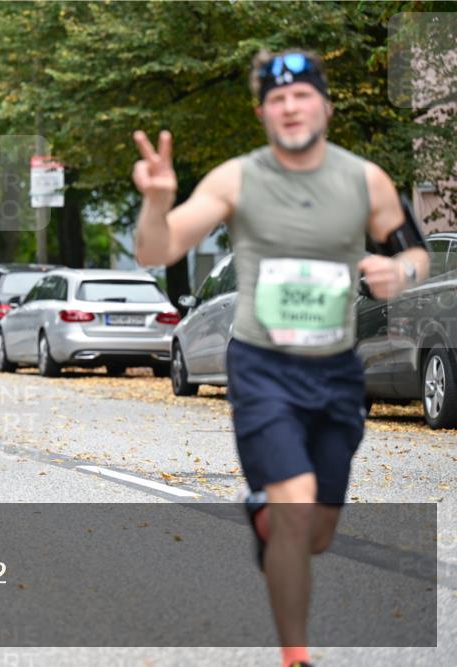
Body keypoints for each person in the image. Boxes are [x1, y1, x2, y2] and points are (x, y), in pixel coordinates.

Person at [130, 50, 429, 667]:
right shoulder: (235, 179)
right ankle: (296, 654)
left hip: (337, 369)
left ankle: (270, 519)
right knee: (294, 509)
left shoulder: (364, 179)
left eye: (301, 96)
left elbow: (415, 253)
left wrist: (397, 270)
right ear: (263, 112)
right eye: (276, 99)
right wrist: (158, 200)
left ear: (325, 102)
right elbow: (155, 249)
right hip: (263, 365)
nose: (290, 107)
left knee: (316, 532)